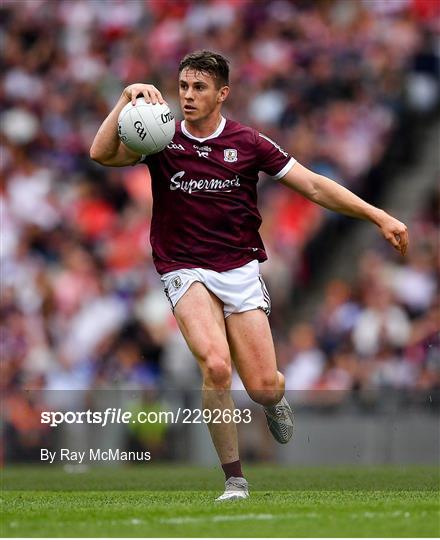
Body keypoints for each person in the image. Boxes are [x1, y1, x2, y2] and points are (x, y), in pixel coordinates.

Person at [90, 50, 409, 500]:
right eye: (183, 86)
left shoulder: (249, 142)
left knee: (262, 385)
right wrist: (125, 100)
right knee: (216, 367)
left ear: (223, 93)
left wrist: (379, 216)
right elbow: (101, 154)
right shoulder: (160, 137)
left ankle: (275, 398)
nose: (187, 96)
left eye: (199, 88)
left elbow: (315, 185)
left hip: (239, 268)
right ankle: (234, 480)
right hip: (183, 266)